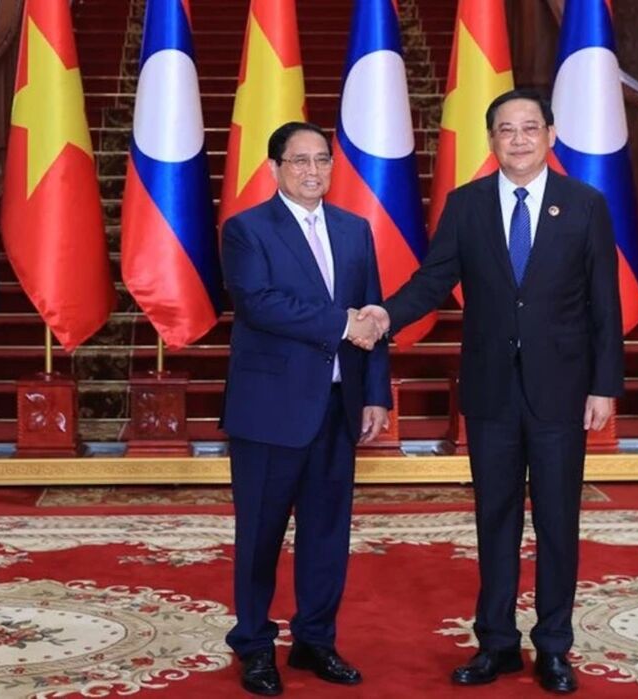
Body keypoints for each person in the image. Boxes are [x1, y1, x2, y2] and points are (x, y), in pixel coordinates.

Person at [358, 89, 624, 694]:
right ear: (492, 140)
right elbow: (433, 281)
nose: (519, 139)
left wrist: (604, 385)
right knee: (494, 519)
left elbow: (604, 303)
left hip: (561, 391)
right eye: (507, 129)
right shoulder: (467, 204)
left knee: (557, 521)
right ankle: (497, 644)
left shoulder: (585, 204)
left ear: (551, 135)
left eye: (530, 127)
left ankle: (553, 647)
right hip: (491, 392)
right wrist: (385, 315)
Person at [221, 121, 390, 696]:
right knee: (260, 536)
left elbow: (372, 315)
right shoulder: (246, 229)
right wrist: (343, 323)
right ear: (275, 168)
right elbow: (260, 303)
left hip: (338, 407)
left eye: (322, 159)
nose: (312, 171)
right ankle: (254, 645)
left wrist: (375, 393)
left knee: (326, 534)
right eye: (299, 160)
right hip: (270, 410)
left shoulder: (354, 229)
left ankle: (315, 640)